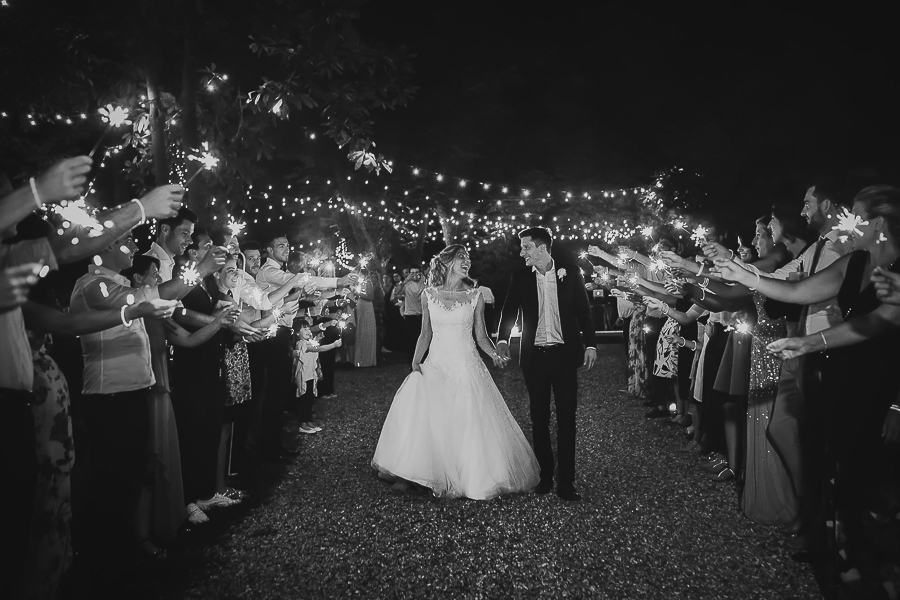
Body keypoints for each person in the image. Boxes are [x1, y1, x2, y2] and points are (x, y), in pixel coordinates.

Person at [715, 185, 900, 578]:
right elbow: (796, 291)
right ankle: (839, 555)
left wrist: (809, 342)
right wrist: (744, 274)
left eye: (857, 214)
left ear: (879, 223)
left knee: (869, 480)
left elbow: (879, 323)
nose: (848, 220)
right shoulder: (854, 262)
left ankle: (867, 565)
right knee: (834, 468)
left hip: (882, 387)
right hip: (838, 380)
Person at [372, 244, 539, 499]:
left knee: (468, 420)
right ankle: (423, 471)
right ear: (447, 262)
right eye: (462, 257)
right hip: (437, 365)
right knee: (428, 418)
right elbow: (425, 332)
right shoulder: (428, 294)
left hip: (466, 366)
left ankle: (468, 475)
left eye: (468, 258)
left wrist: (494, 354)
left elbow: (481, 337)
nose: (467, 261)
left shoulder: (475, 296)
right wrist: (416, 362)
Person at [497, 228, 597, 501]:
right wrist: (503, 339)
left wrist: (590, 344)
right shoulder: (520, 277)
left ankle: (567, 482)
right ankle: (545, 476)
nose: (522, 253)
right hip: (535, 357)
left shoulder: (570, 273)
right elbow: (509, 310)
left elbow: (583, 312)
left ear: (542, 249)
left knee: (567, 419)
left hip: (565, 356)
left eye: (526, 247)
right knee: (538, 418)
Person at [292, 318, 342, 433]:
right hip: (303, 376)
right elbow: (318, 348)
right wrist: (333, 345)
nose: (308, 331)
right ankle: (303, 424)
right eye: (304, 329)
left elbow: (314, 345)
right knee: (304, 399)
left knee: (309, 399)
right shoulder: (301, 344)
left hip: (310, 375)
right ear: (297, 333)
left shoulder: (308, 342)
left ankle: (309, 421)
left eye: (309, 328)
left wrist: (317, 338)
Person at [398, 266, 425, 354]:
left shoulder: (424, 284)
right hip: (410, 314)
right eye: (412, 273)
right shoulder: (406, 284)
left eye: (417, 273)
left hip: (421, 314)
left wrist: (425, 280)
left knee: (422, 338)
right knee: (411, 339)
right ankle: (411, 359)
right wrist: (405, 280)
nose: (415, 275)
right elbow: (396, 292)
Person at [354, 269, 377, 367]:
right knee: (361, 330)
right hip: (361, 307)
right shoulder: (361, 283)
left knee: (366, 329)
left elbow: (370, 297)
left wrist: (357, 293)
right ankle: (360, 358)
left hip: (366, 307)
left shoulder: (368, 282)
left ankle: (367, 358)